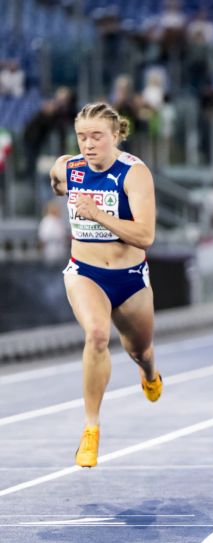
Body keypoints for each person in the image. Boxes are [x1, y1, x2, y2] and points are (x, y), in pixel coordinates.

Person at [49, 102, 163, 468]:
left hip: (129, 279)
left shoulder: (134, 173)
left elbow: (145, 236)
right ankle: (91, 429)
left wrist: (98, 214)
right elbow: (57, 181)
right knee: (97, 335)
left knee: (140, 351)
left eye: (97, 136)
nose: (88, 144)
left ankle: (149, 374)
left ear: (116, 135)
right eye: (82, 136)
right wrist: (57, 182)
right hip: (85, 272)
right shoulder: (70, 168)